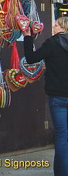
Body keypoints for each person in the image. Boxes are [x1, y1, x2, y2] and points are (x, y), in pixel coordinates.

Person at [23, 16, 68, 176]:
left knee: (62, 136)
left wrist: (28, 37)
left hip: (57, 97)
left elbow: (31, 58)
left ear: (63, 27)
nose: (53, 27)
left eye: (56, 25)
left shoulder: (52, 43)